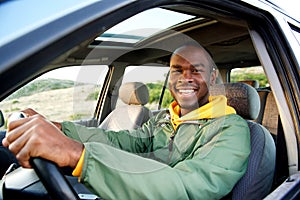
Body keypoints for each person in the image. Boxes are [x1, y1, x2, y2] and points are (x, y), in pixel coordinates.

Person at [2, 44, 250, 199]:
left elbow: (186, 189)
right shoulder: (165, 118)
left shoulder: (230, 129)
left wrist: (79, 156)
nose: (185, 78)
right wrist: (61, 129)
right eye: (177, 70)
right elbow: (122, 141)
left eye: (196, 70)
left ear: (213, 76)